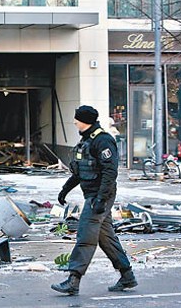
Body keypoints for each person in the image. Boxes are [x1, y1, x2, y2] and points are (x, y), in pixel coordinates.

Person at [51, 105, 136, 296]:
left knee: (85, 236)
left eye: (77, 119)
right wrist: (65, 190)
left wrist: (101, 199)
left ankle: (73, 280)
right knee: (105, 237)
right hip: (93, 195)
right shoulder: (87, 141)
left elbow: (110, 172)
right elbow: (81, 171)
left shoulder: (103, 141)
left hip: (99, 196)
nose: (74, 122)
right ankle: (127, 275)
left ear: (85, 121)